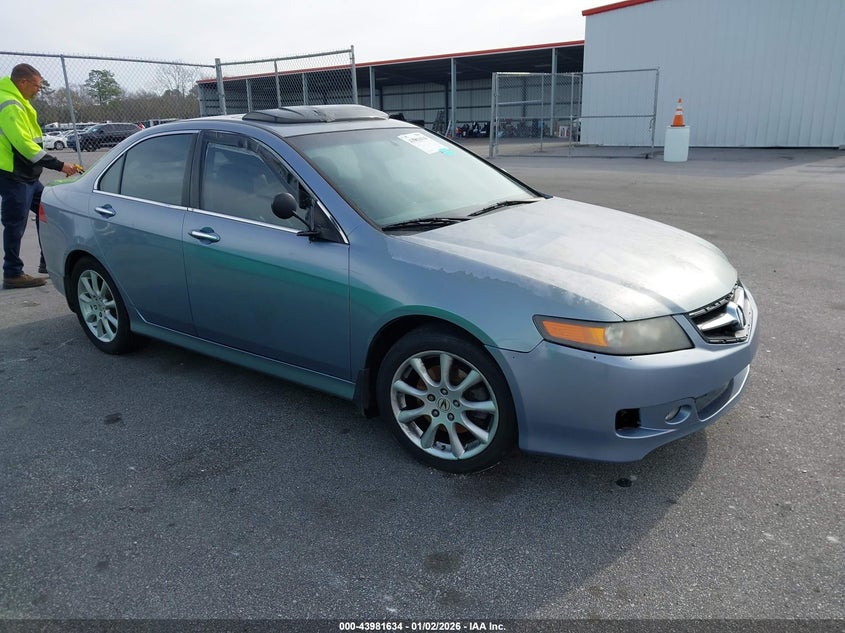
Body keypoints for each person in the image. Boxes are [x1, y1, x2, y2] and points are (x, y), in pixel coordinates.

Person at [0, 63, 81, 290]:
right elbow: (25, 146)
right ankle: (13, 273)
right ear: (23, 82)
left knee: (47, 210)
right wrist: (60, 165)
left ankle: (47, 261)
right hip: (14, 174)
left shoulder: (18, 100)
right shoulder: (10, 104)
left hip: (27, 175)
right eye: (36, 85)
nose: (38, 90)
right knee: (15, 223)